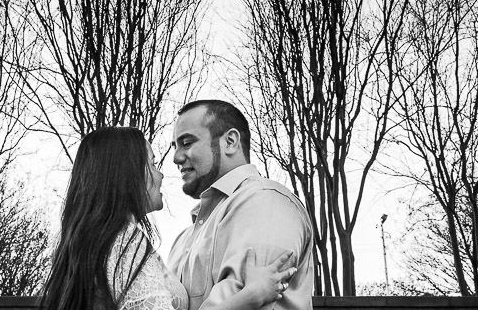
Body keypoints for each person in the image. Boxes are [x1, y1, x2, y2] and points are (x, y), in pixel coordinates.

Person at [42, 126, 297, 310]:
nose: (161, 174)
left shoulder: (98, 241)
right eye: (152, 164)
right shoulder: (123, 242)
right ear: (126, 173)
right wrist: (252, 296)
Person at [167, 100, 314, 310]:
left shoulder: (263, 202)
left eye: (187, 143)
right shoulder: (183, 240)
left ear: (230, 142)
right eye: (175, 146)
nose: (176, 157)